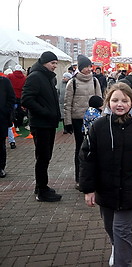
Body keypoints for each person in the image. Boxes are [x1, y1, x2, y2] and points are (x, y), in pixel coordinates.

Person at [79, 82, 132, 267]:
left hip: (130, 190)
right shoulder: (98, 126)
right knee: (110, 226)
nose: (119, 104)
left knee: (122, 229)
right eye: (114, 100)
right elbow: (86, 157)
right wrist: (88, 189)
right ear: (108, 102)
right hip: (104, 188)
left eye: (124, 100)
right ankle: (116, 245)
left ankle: (122, 262)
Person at [21, 51, 62, 201]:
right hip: (41, 124)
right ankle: (42, 191)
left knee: (46, 156)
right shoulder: (36, 77)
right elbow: (26, 99)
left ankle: (41, 186)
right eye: (53, 63)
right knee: (43, 157)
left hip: (48, 123)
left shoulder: (48, 77)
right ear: (45, 62)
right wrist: (45, 112)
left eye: (56, 63)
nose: (55, 66)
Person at [64, 54, 102, 190]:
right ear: (79, 68)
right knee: (81, 148)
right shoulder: (72, 82)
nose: (88, 69)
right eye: (85, 66)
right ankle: (79, 177)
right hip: (78, 120)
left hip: (94, 119)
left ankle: (94, 177)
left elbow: (100, 100)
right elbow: (67, 104)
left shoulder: (95, 81)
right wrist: (67, 122)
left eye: (89, 66)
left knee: (95, 147)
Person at [0, 76, 16, 178]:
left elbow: (11, 98)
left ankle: (1, 167)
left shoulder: (4, 81)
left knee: (1, 145)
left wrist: (5, 112)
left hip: (1, 119)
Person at [7, 65, 26, 131]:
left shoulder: (10, 76)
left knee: (13, 111)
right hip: (20, 96)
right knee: (20, 111)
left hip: (12, 96)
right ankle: (19, 124)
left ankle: (14, 125)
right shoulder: (24, 78)